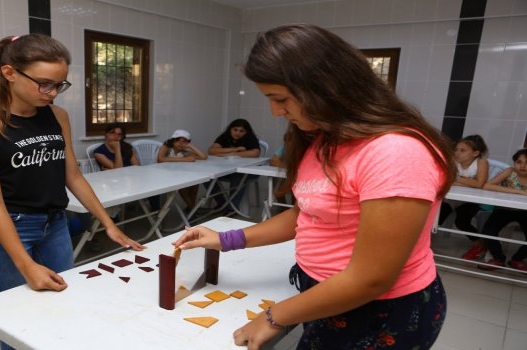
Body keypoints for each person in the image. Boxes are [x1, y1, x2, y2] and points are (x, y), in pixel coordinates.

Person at [173, 24, 455, 350]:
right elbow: (306, 214)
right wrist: (226, 239)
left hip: (381, 310)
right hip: (327, 295)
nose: (275, 111)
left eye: (281, 99)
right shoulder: (324, 137)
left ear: (325, 87)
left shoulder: (395, 151)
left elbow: (371, 278)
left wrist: (273, 317)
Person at [0, 32, 144, 309]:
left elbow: (72, 175)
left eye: (59, 85)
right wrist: (26, 265)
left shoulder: (58, 116)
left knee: (63, 304)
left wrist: (108, 223)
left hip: (55, 223)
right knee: (18, 314)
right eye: (44, 84)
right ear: (10, 73)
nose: (53, 93)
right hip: (11, 227)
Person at [438, 135, 490, 261]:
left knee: (462, 222)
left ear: (475, 153)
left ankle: (480, 244)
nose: (457, 153)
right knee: (435, 219)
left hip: (470, 200)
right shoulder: (453, 161)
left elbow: (479, 184)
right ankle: (422, 244)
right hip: (451, 198)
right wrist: (466, 181)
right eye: (456, 149)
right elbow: (445, 178)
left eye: (463, 150)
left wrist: (457, 179)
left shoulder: (481, 162)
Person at [478, 148, 527, 271]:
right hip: (504, 208)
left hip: (524, 211)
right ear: (514, 163)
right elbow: (487, 185)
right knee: (488, 230)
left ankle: (517, 259)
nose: (523, 166)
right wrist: (518, 191)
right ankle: (498, 258)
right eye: (519, 162)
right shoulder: (510, 172)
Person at [208, 119, 261, 210]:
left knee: (237, 176)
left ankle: (232, 208)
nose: (237, 133)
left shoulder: (250, 138)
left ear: (246, 132)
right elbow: (212, 151)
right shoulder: (225, 136)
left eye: (241, 131)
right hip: (225, 170)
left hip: (246, 171)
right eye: (235, 130)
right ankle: (223, 203)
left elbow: (255, 153)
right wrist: (234, 150)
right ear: (230, 129)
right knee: (207, 178)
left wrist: (229, 154)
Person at [157, 129, 207, 212]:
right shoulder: (166, 147)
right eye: (179, 141)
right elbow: (161, 159)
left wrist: (191, 146)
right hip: (163, 174)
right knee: (182, 186)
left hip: (178, 174)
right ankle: (194, 209)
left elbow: (203, 157)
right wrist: (184, 159)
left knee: (195, 183)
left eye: (185, 142)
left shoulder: (184, 151)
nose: (181, 144)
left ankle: (191, 207)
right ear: (173, 140)